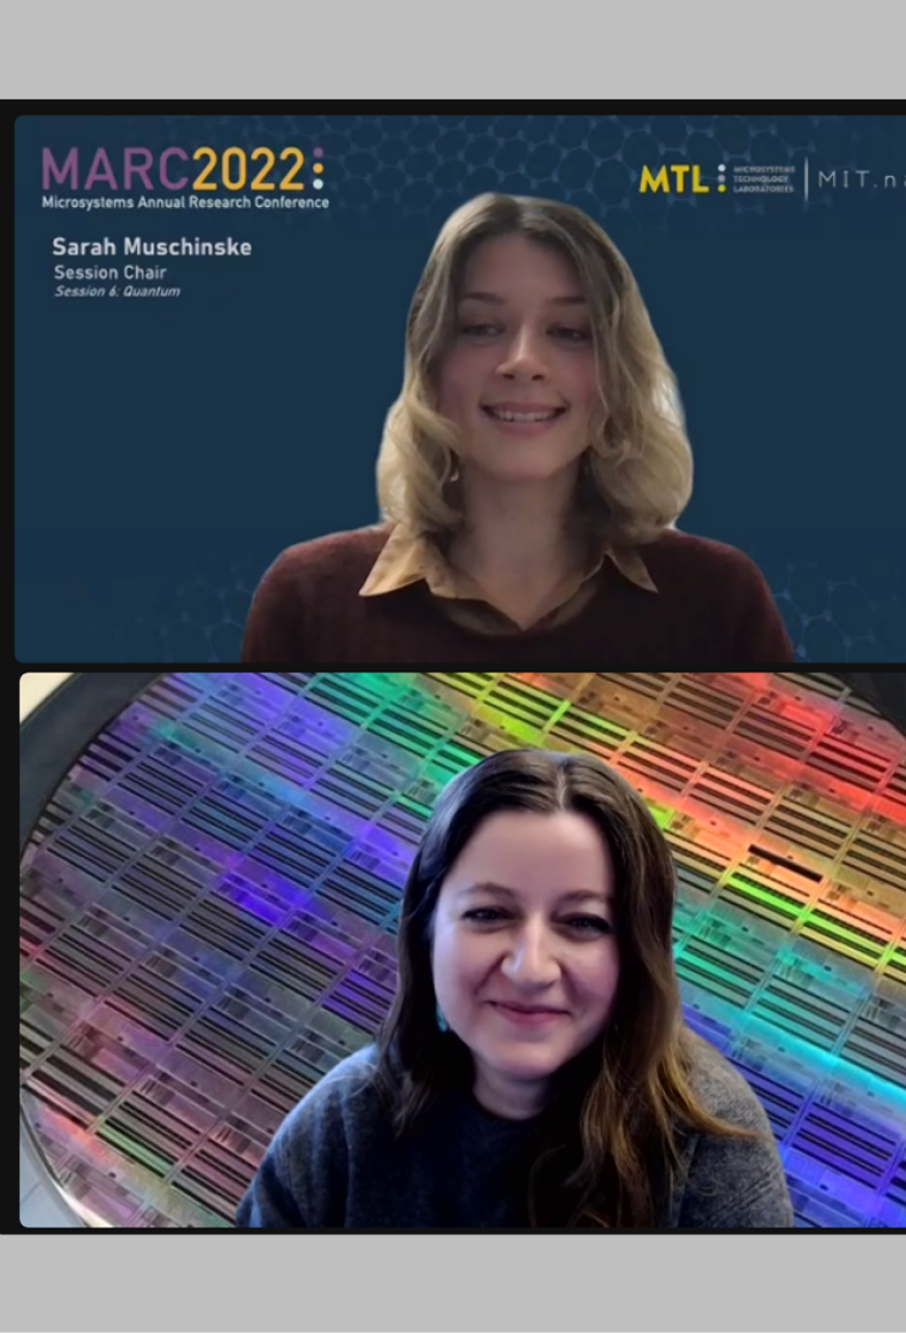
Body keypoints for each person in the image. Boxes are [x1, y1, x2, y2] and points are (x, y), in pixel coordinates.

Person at [235, 749, 793, 1227]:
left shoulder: (711, 1145)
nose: (530, 969)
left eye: (583, 923)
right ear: (426, 930)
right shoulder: (345, 1125)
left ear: (636, 951)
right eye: (488, 913)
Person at [240, 193, 792, 664]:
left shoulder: (719, 600)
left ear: (617, 375)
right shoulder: (308, 597)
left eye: (571, 331)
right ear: (429, 364)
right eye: (481, 327)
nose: (524, 360)